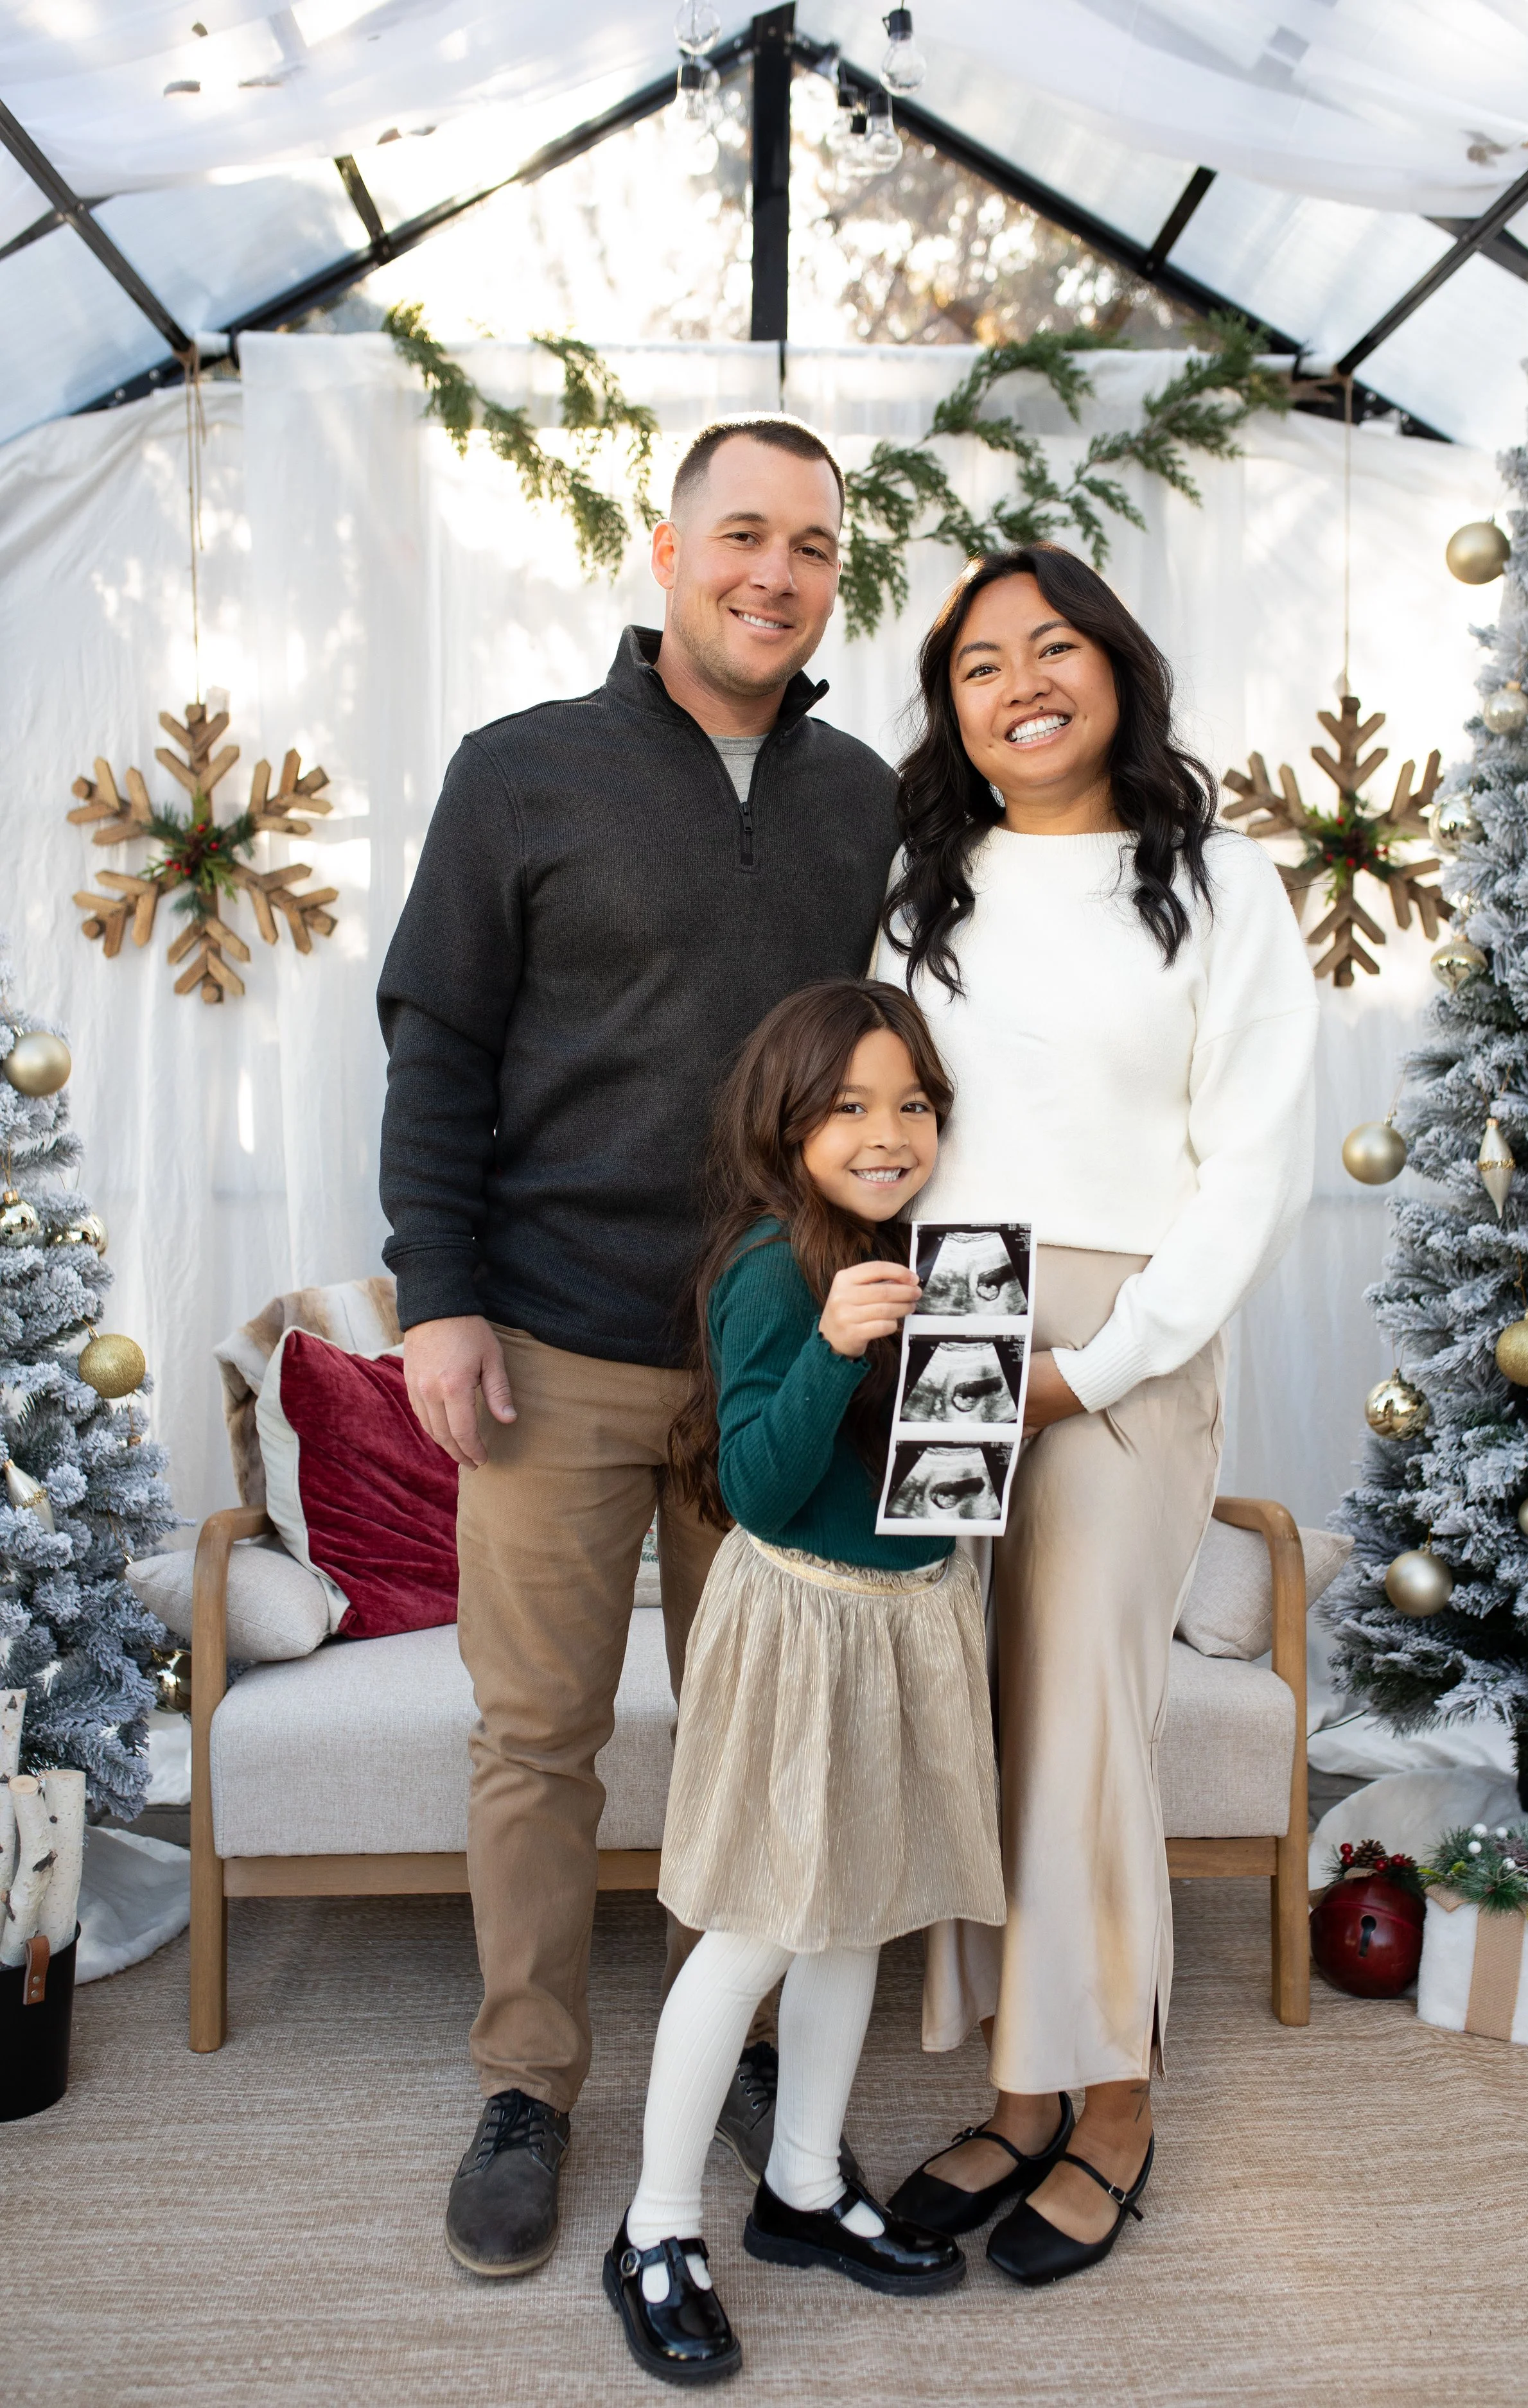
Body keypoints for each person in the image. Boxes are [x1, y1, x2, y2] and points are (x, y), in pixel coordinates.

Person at [377, 418, 903, 2281]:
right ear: (667, 553)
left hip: (774, 1350)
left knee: (753, 1728)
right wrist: (434, 1295)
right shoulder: (519, 775)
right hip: (549, 1343)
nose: (775, 571)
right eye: (741, 534)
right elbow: (435, 1048)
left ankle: (726, 2041)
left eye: (813, 546)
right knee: (539, 1732)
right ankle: (526, 2078)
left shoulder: (863, 799)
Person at [876, 543, 1317, 2286]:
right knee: (961, 1713)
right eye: (979, 663)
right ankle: (1014, 2080)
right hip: (949, 1307)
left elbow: (1251, 1171)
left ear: (1115, 669)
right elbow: (881, 1115)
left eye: (1051, 645)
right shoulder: (927, 888)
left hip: (1128, 1327)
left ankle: (1112, 2099)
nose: (1018, 681)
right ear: (955, 713)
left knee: (1076, 1719)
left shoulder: (1217, 886)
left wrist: (1106, 1359)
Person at [604, 978, 1006, 2385]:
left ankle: (797, 2186)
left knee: (859, 1913)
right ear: (786, 1126)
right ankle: (654, 2228)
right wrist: (837, 1347)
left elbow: (937, 1478)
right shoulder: (773, 1271)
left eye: (912, 1105)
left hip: (909, 1618)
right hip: (804, 1628)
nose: (887, 1132)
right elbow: (763, 1495)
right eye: (847, 1108)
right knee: (763, 1926)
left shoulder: (938, 1260)